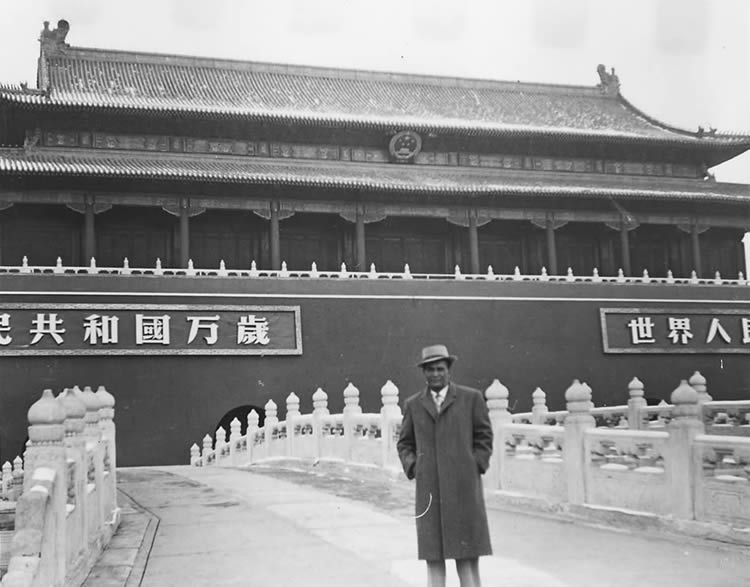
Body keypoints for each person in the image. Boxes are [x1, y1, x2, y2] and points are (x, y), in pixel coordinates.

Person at [396, 344, 494, 587]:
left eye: (440, 369)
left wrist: (475, 465)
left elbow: (484, 436)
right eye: (429, 370)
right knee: (434, 558)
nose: (435, 374)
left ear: (449, 370)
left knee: (467, 557)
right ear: (424, 373)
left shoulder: (471, 399)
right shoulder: (414, 404)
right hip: (430, 492)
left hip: (464, 489)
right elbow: (404, 443)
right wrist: (415, 467)